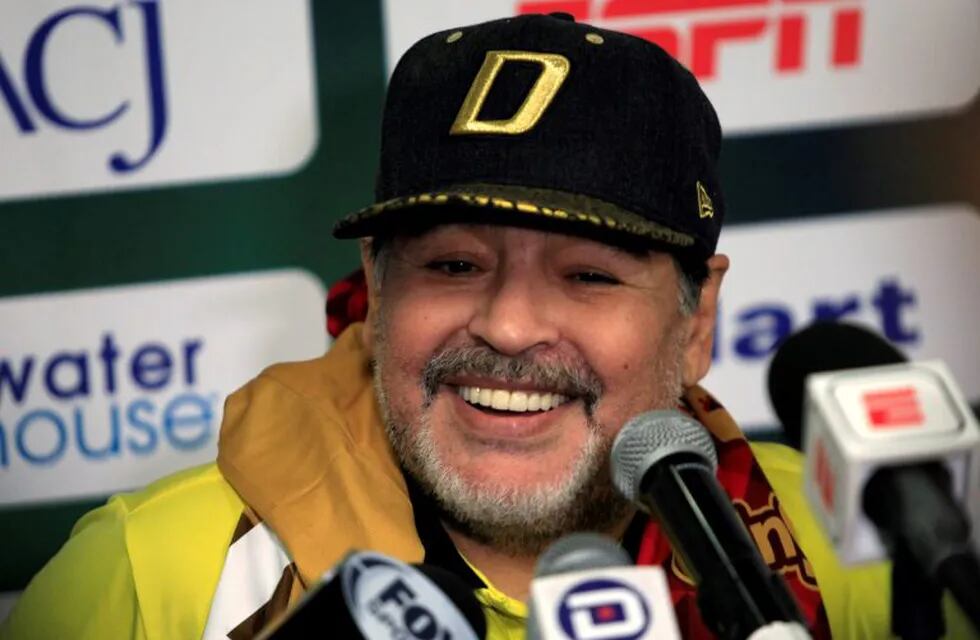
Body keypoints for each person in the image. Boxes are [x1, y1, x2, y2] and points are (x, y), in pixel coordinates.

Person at [5, 12, 947, 640]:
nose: (507, 323)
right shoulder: (153, 571)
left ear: (696, 320)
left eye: (587, 276)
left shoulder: (852, 545)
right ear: (376, 290)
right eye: (454, 265)